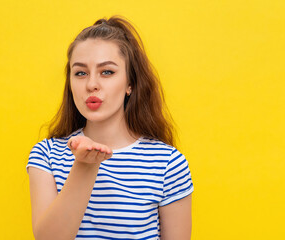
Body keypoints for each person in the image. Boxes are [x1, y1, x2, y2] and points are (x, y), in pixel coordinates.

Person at [26, 15, 194, 240]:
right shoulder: (47, 155)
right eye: (80, 73)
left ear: (130, 84)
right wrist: (85, 165)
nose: (91, 84)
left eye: (107, 72)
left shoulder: (167, 163)